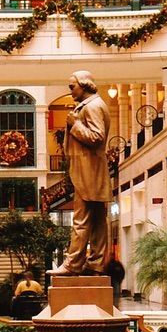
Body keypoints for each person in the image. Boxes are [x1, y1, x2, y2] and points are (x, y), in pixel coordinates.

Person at [54, 70, 112, 276]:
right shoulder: (93, 105)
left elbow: (97, 137)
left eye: (72, 86)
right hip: (91, 172)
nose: (70, 91)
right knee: (97, 220)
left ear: (85, 85)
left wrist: (75, 124)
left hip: (89, 173)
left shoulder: (93, 106)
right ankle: (95, 263)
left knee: (81, 220)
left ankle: (73, 264)